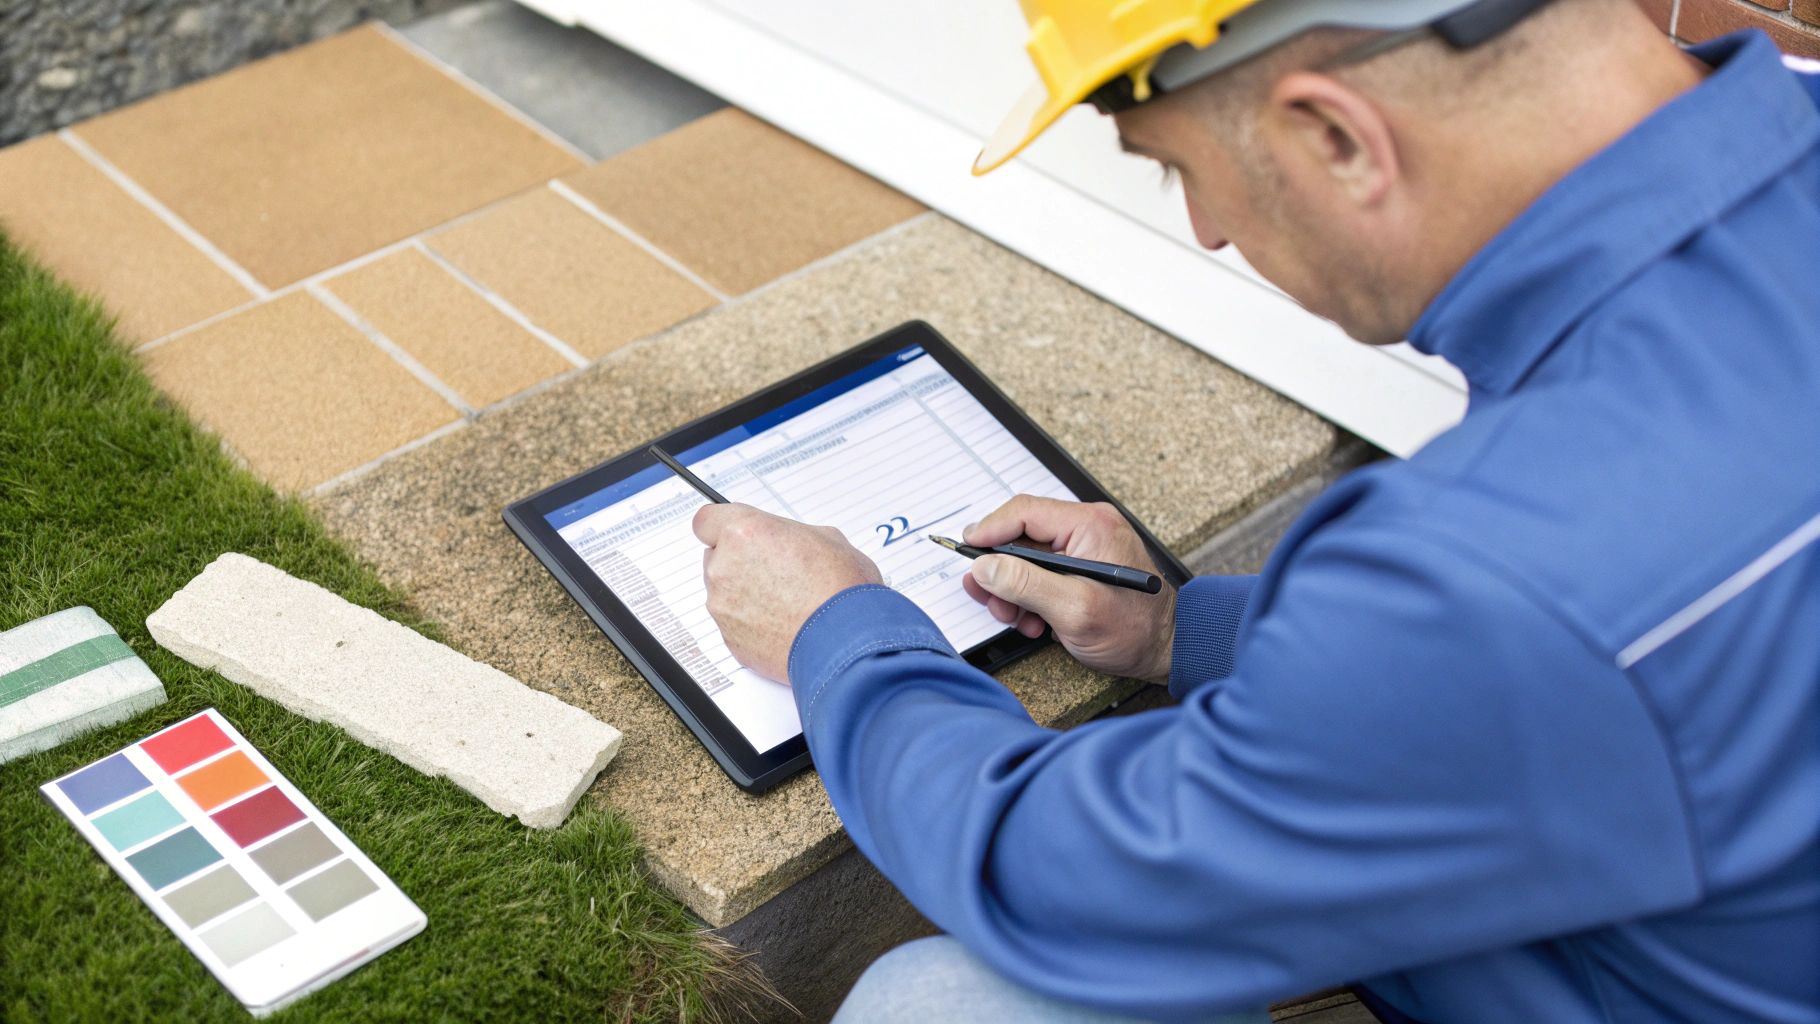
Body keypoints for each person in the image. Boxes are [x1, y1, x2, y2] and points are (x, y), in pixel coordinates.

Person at [691, 0, 1820, 1019]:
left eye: (1175, 168)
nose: (1207, 232)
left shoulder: (1507, 565)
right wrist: (1181, 629)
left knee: (938, 1005)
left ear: (1334, 138)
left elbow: (1080, 888)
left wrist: (834, 636)